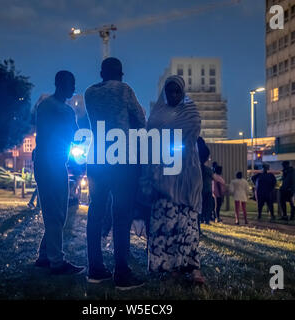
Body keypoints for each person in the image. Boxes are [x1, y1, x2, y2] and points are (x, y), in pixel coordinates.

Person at [85, 57, 146, 289]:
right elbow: (140, 120)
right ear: (121, 74)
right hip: (121, 157)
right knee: (121, 215)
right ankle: (122, 273)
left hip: (96, 157)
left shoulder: (90, 92)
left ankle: (95, 269)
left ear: (101, 73)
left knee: (96, 211)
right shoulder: (124, 89)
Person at [144, 75, 204, 284]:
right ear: (165, 92)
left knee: (187, 225)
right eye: (170, 91)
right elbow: (150, 139)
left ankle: (191, 266)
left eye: (178, 91)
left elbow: (191, 132)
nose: (174, 95)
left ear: (183, 92)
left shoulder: (190, 112)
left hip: (186, 176)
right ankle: (168, 266)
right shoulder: (157, 113)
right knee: (165, 223)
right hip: (162, 179)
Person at [33, 70, 84, 275]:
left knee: (56, 212)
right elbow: (73, 134)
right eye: (70, 83)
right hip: (51, 164)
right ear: (59, 83)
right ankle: (56, 261)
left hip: (48, 162)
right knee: (56, 213)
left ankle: (45, 255)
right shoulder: (60, 109)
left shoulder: (47, 106)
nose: (73, 88)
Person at [197, 137, 212, 226]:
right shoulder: (206, 169)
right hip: (206, 189)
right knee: (207, 206)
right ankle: (205, 220)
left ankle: (200, 221)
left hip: (198, 189)